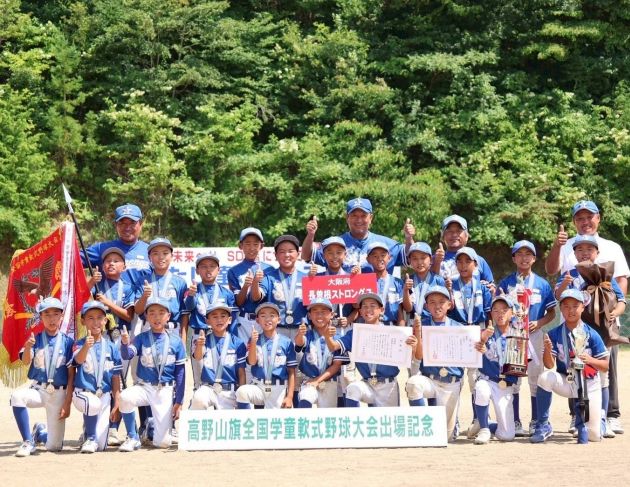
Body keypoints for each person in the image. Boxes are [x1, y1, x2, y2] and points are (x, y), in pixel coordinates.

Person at [545, 199, 629, 434]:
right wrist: (557, 246)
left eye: (589, 217)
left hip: (603, 323)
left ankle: (609, 415)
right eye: (579, 218)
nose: (585, 222)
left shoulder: (611, 247)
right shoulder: (566, 247)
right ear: (574, 222)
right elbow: (553, 275)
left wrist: (614, 311)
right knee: (574, 366)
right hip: (575, 323)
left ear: (598, 218)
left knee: (605, 369)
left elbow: (620, 284)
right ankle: (577, 415)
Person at [530, 289, 609, 444]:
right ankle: (543, 425)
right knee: (544, 377)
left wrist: (590, 360)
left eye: (575, 306)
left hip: (589, 384)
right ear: (561, 308)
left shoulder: (591, 334)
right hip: (568, 379)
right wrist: (547, 350)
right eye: (566, 306)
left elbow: (605, 366)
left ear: (583, 307)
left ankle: (600, 419)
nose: (571, 310)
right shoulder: (554, 333)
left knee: (593, 436)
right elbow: (549, 365)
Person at [497, 240, 557, 436]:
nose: (524, 258)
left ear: (534, 258)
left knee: (536, 378)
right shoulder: (506, 283)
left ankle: (536, 420)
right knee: (513, 379)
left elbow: (552, 313)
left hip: (534, 335)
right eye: (519, 254)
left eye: (528, 254)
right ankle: (514, 421)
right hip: (513, 335)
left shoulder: (542, 284)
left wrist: (539, 323)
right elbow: (499, 309)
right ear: (514, 258)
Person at [325, 293, 418, 407]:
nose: (368, 309)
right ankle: (355, 419)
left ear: (381, 310)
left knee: (388, 418)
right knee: (353, 389)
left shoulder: (393, 333)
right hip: (367, 385)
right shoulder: (355, 333)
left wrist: (413, 347)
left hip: (388, 386)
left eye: (372, 306)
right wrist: (327, 336)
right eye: (364, 306)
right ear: (360, 311)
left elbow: (408, 358)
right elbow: (333, 346)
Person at [118, 297, 186, 451]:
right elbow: (127, 355)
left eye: (161, 313)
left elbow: (181, 373)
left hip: (165, 390)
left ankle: (150, 425)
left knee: (163, 443)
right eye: (152, 313)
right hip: (145, 387)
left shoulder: (176, 342)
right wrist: (124, 343)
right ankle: (133, 437)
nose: (157, 317)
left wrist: (179, 401)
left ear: (168, 316)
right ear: (146, 316)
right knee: (125, 397)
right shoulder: (141, 338)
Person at [10, 297, 75, 457]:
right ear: (41, 317)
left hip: (59, 393)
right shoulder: (35, 339)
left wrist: (67, 403)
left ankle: (40, 432)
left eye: (55, 314)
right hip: (39, 390)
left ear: (61, 316)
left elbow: (71, 375)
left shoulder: (68, 342)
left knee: (54, 446)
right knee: (17, 396)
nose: (51, 319)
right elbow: (26, 361)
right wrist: (27, 347)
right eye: (47, 315)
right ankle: (28, 441)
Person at [405, 286, 465, 441]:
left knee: (447, 437)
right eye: (432, 302)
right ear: (426, 306)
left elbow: (469, 358)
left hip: (451, 383)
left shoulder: (460, 328)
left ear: (449, 305)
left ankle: (480, 425)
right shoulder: (421, 326)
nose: (437, 306)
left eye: (441, 302)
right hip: (430, 380)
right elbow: (417, 358)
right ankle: (424, 429)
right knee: (413, 383)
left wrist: (480, 345)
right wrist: (416, 339)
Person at [301, 198, 415, 273]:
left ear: (370, 218)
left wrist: (409, 238)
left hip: (376, 301)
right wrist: (310, 235)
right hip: (344, 300)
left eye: (363, 215)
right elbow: (306, 256)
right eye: (354, 215)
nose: (359, 220)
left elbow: (410, 257)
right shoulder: (335, 244)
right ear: (347, 218)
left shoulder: (387, 244)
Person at [468, 295, 521, 445]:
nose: (500, 314)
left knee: (507, 436)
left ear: (512, 313)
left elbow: (524, 363)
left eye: (504, 310)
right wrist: (482, 340)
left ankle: (486, 423)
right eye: (496, 310)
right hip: (487, 380)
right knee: (481, 388)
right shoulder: (486, 333)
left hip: (505, 385)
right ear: (491, 314)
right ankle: (484, 429)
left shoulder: (519, 334)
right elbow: (469, 351)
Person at [71, 301, 123, 453]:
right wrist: (86, 347)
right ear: (83, 321)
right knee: (92, 404)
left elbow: (115, 377)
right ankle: (90, 437)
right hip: (83, 393)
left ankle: (89, 434)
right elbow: (77, 361)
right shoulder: (79, 344)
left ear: (105, 321)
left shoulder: (111, 347)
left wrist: (116, 403)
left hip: (104, 395)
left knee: (101, 446)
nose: (96, 322)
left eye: (100, 318)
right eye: (90, 318)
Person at [183, 253, 236, 388]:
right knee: (200, 378)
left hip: (221, 336)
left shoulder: (227, 293)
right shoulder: (192, 290)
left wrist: (231, 337)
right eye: (204, 266)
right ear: (197, 270)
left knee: (220, 373)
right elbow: (188, 308)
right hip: (200, 336)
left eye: (212, 266)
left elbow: (232, 318)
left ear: (219, 270)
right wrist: (191, 295)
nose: (208, 270)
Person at [235, 303, 297, 409]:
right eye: (263, 316)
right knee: (242, 392)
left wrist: (290, 396)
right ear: (257, 320)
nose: (267, 319)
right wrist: (253, 342)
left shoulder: (286, 342)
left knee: (274, 418)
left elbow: (291, 371)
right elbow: (252, 362)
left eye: (272, 316)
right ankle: (247, 419)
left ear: (279, 319)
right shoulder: (254, 339)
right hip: (259, 385)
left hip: (278, 387)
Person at [190, 303, 247, 410]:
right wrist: (200, 345)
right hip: (209, 388)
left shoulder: (237, 343)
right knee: (198, 398)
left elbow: (241, 373)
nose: (219, 320)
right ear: (207, 321)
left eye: (223, 316)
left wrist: (242, 399)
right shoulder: (203, 340)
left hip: (229, 391)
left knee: (226, 420)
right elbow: (198, 357)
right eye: (214, 317)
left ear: (229, 320)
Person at [295, 298, 348, 408]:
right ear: (309, 316)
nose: (319, 315)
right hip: (309, 380)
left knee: (328, 416)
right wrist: (300, 334)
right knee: (305, 397)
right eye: (315, 311)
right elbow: (300, 342)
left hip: (329, 382)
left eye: (323, 312)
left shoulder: (338, 338)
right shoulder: (308, 334)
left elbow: (336, 366)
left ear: (332, 315)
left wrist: (317, 380)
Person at [257, 235, 308, 341]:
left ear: (298, 254)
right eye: (282, 252)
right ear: (276, 255)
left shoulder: (306, 278)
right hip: (276, 329)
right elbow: (257, 297)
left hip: (301, 330)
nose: (286, 255)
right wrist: (254, 282)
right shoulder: (268, 277)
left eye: (290, 251)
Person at [227, 227, 272, 345]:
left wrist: (255, 283)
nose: (251, 248)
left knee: (263, 354)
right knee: (242, 354)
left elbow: (259, 298)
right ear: (240, 245)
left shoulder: (269, 270)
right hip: (243, 321)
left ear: (261, 246)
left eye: (255, 244)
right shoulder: (233, 271)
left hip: (264, 321)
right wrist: (246, 286)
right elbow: (238, 302)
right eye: (247, 243)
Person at [133, 237, 189, 333]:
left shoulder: (180, 282)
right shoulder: (143, 281)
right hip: (148, 330)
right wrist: (145, 296)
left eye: (165, 253)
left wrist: (183, 339)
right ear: (149, 257)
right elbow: (138, 310)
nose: (161, 257)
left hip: (172, 331)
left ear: (172, 256)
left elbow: (184, 314)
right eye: (155, 253)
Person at [82, 203, 149, 273]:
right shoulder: (102, 249)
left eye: (132, 223)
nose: (127, 228)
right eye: (122, 223)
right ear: (116, 225)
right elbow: (75, 258)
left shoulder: (151, 252)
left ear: (141, 224)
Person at [432, 215, 493, 285]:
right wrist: (437, 262)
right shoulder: (433, 260)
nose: (454, 235)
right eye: (450, 231)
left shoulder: (478, 260)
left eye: (458, 231)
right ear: (443, 236)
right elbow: (427, 285)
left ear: (466, 236)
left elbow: (491, 287)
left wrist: (491, 287)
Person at [402, 242, 446, 321]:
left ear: (431, 259)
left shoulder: (438, 280)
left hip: (434, 322)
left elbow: (444, 305)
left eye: (423, 258)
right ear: (409, 261)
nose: (419, 262)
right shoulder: (408, 281)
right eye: (415, 259)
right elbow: (408, 308)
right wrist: (405, 290)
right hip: (413, 322)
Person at [365, 241, 404, 326]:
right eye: (375, 256)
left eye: (383, 255)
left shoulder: (397, 282)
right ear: (368, 260)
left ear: (389, 258)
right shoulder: (364, 282)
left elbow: (400, 312)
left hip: (391, 327)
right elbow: (358, 307)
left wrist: (402, 330)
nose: (379, 258)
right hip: (369, 327)